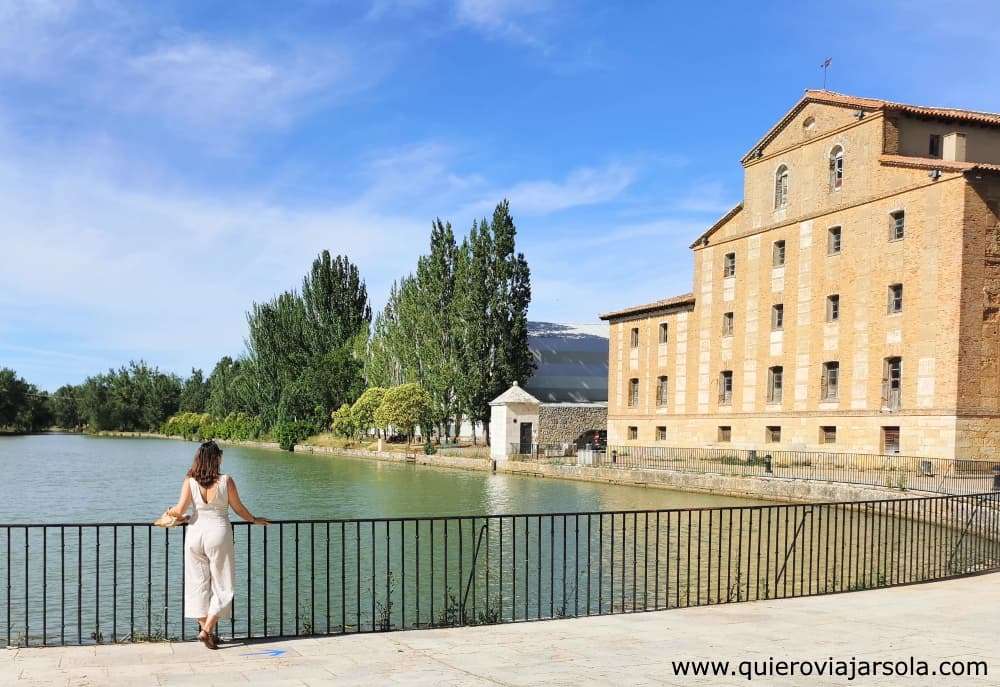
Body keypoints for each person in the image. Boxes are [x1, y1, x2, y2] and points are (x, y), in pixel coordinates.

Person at [166, 440, 268, 649]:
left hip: (195, 533)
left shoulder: (190, 481)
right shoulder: (226, 481)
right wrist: (254, 519)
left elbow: (179, 508)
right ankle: (206, 630)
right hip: (218, 533)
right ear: (217, 459)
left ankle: (207, 633)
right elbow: (238, 508)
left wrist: (175, 514)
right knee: (223, 583)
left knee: (198, 584)